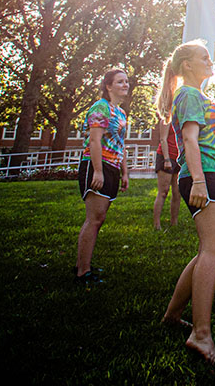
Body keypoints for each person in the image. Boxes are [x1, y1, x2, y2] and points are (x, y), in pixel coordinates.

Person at [156, 41, 215, 363]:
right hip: (200, 175)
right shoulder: (188, 94)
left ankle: (173, 316)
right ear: (187, 65)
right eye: (203, 56)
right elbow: (190, 140)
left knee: (212, 247)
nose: (210, 60)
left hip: (214, 175)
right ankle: (201, 334)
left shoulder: (201, 96)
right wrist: (202, 181)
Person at [74, 68, 130, 283]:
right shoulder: (101, 107)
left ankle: (84, 264)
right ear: (108, 86)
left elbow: (120, 144)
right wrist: (97, 171)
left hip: (113, 167)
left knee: (100, 218)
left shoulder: (121, 113)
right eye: (120, 82)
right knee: (94, 218)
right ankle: (82, 272)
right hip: (97, 165)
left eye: (126, 81)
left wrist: (124, 172)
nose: (125, 85)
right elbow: (95, 140)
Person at [152, 109, 180, 231]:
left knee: (177, 193)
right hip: (165, 156)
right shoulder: (167, 117)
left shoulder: (184, 117)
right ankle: (156, 224)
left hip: (179, 158)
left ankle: (174, 222)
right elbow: (163, 139)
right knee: (163, 192)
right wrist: (167, 159)